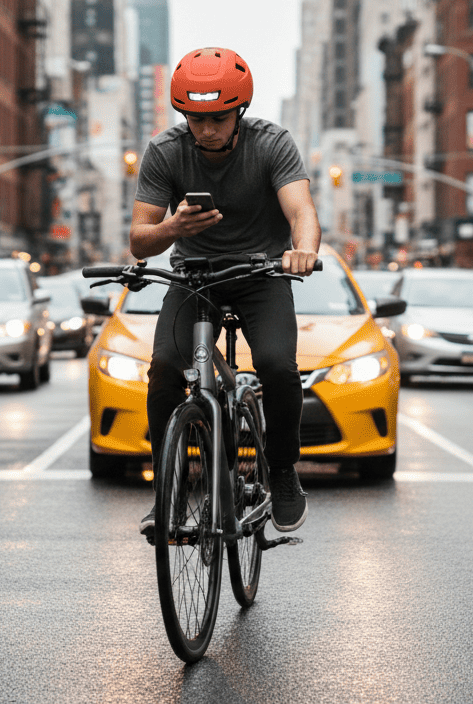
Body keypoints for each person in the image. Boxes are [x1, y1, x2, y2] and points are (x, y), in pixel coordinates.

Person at [129, 48, 320, 535]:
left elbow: (300, 210)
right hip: (194, 277)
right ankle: (166, 494)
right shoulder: (165, 152)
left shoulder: (272, 144)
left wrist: (304, 250)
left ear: (239, 111)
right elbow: (138, 240)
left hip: (262, 276)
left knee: (278, 366)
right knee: (166, 369)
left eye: (217, 118)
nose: (206, 128)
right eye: (195, 118)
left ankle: (280, 470)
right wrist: (174, 226)